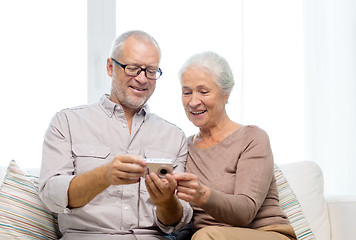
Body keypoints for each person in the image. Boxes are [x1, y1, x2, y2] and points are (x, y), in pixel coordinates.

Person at [39, 30, 192, 240]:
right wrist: (104, 176)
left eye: (151, 71)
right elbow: (51, 195)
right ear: (111, 67)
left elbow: (175, 221)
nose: (142, 78)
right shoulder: (67, 122)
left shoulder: (174, 136)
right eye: (132, 68)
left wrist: (166, 201)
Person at [173, 51, 297, 240]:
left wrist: (203, 195)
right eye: (187, 92)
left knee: (205, 237)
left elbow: (245, 212)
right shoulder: (183, 147)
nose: (193, 101)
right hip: (208, 236)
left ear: (226, 94)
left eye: (203, 91)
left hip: (266, 233)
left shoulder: (252, 138)